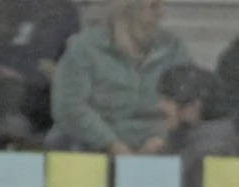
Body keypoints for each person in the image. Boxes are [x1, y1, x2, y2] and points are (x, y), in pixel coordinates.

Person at [48, 0, 189, 155]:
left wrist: (162, 139)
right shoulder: (84, 48)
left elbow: (185, 101)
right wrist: (111, 143)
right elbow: (69, 107)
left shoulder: (173, 48)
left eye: (164, 6)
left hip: (155, 142)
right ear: (127, 9)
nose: (162, 14)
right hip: (94, 140)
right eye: (153, 6)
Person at [0, 0, 82, 147]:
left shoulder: (64, 12)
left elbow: (64, 62)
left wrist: (36, 71)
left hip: (47, 91)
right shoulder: (5, 7)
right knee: (7, 89)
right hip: (12, 89)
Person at [158, 63, 239, 187]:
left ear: (193, 107)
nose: (160, 106)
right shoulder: (190, 142)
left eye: (167, 99)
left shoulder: (209, 152)